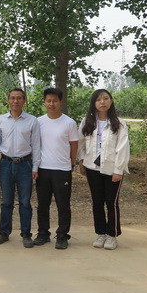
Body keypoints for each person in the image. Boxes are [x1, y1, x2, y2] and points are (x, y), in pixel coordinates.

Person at [78, 89, 129, 250]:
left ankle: (112, 235)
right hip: (92, 167)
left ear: (111, 101)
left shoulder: (119, 123)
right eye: (99, 99)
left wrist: (118, 170)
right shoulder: (86, 121)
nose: (102, 102)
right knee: (97, 202)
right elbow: (81, 143)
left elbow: (123, 148)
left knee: (111, 202)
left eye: (106, 98)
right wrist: (81, 161)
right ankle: (101, 233)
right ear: (94, 103)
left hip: (111, 169)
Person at [0, 88, 41, 248]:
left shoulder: (32, 120)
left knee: (25, 201)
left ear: (24, 101)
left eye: (19, 98)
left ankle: (26, 234)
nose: (15, 101)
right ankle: (4, 232)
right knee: (6, 201)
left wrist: (35, 167)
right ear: (8, 100)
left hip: (25, 165)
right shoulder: (1, 120)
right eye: (12, 98)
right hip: (6, 164)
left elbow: (36, 145)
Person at [34, 87, 78, 250]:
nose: (51, 104)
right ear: (44, 102)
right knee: (42, 204)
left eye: (55, 101)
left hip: (62, 170)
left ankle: (62, 235)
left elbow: (74, 145)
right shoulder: (38, 122)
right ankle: (43, 233)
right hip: (43, 168)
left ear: (60, 102)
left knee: (63, 204)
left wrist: (71, 164)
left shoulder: (69, 123)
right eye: (48, 101)